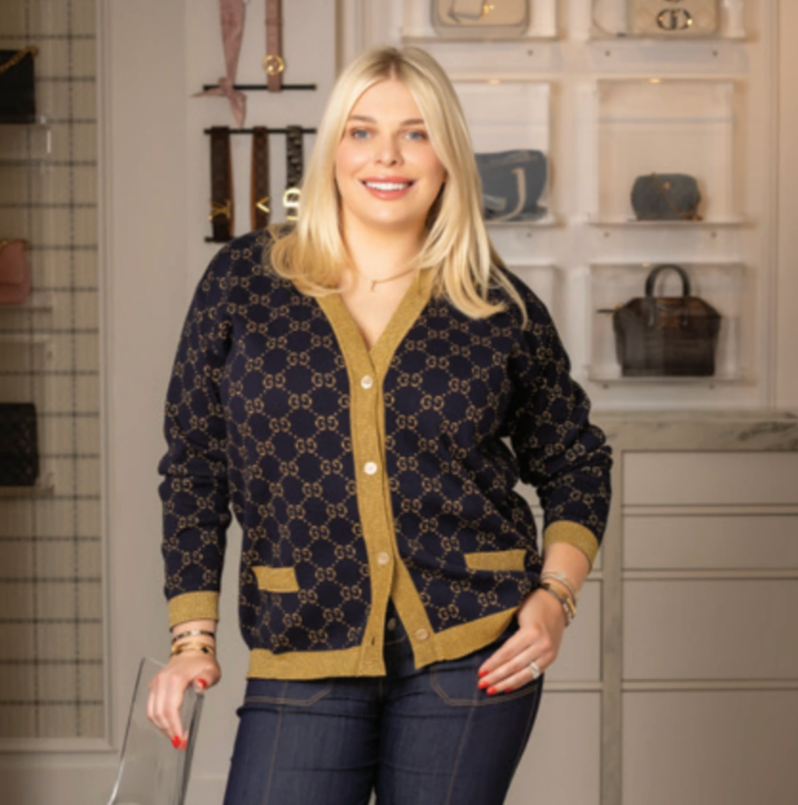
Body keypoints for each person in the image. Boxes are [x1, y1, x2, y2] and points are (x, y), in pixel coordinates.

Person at [147, 45, 612, 805]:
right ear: (332, 150)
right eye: (361, 132)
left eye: (416, 133)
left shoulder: (496, 304)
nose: (387, 156)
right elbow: (196, 466)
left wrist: (554, 598)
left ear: (448, 156)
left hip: (474, 643)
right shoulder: (245, 282)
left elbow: (576, 462)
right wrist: (191, 639)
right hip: (303, 633)